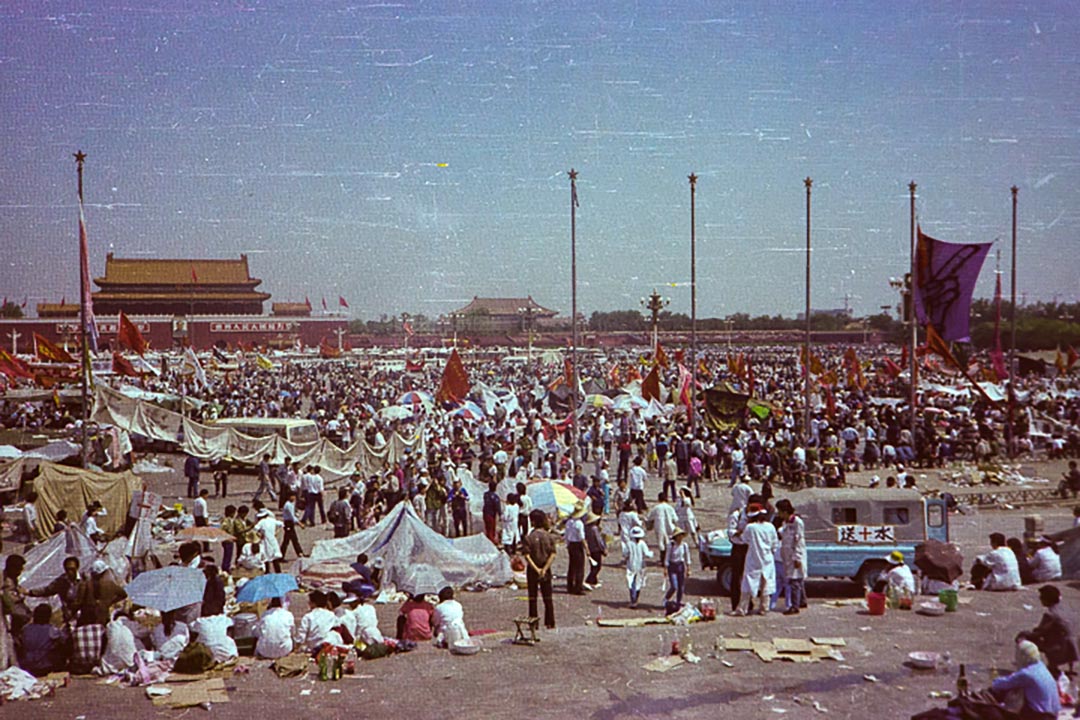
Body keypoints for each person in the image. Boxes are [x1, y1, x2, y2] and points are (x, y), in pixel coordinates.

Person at [1017, 585, 1079, 677]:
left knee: (1030, 638)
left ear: (1046, 599)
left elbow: (1039, 632)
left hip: (1061, 646)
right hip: (1075, 643)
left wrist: (1024, 634)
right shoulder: (1066, 608)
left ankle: (1052, 666)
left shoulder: (1050, 614)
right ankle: (1071, 668)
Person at [989, 640, 1061, 719]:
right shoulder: (1041, 666)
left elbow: (1000, 684)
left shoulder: (1026, 674)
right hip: (1053, 714)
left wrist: (994, 678)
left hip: (1040, 716)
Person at [733, 504, 778, 616]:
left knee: (748, 583)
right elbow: (774, 543)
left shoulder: (750, 528)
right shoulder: (770, 527)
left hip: (754, 558)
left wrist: (738, 533)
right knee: (766, 583)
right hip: (767, 558)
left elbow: (744, 539)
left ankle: (742, 609)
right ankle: (764, 608)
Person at [523, 509, 557, 629]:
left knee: (533, 598)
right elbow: (553, 554)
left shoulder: (529, 537)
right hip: (546, 568)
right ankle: (550, 622)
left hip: (533, 570)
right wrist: (544, 569)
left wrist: (537, 569)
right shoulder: (549, 536)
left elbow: (527, 556)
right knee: (548, 598)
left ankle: (533, 622)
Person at [27, 555, 82, 624]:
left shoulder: (85, 580)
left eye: (72, 569)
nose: (70, 572)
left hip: (83, 614)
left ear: (77, 568)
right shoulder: (61, 581)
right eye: (67, 569)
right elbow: (47, 590)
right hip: (68, 614)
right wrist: (29, 592)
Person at [19, 603, 70, 676]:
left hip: (26, 664)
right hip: (45, 665)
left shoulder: (25, 629)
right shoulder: (52, 630)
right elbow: (64, 640)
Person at [775, 499, 807, 615]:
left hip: (794, 554)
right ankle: (802, 601)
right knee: (797, 579)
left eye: (780, 511)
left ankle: (795, 606)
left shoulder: (797, 522)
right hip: (787, 555)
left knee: (795, 581)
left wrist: (797, 558)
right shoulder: (786, 523)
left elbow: (798, 541)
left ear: (785, 511)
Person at [75, 560, 127, 627]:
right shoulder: (110, 584)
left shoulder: (86, 584)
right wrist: (110, 601)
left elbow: (79, 601)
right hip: (102, 616)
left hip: (87, 615)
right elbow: (124, 594)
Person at [647, 492, 678, 566]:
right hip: (669, 528)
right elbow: (675, 519)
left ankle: (663, 558)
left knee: (661, 543)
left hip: (659, 527)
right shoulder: (670, 507)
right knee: (669, 542)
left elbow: (649, 518)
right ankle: (670, 558)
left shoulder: (656, 508)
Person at [625, 526, 653, 608]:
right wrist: (651, 553)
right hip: (640, 565)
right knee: (638, 583)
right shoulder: (642, 544)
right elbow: (647, 554)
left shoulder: (629, 544)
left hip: (631, 564)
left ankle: (633, 600)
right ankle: (635, 600)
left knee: (631, 582)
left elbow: (625, 554)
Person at [665, 528, 691, 611]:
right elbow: (667, 557)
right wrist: (665, 568)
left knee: (681, 586)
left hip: (680, 566)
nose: (680, 537)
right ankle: (666, 598)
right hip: (672, 566)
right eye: (679, 536)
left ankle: (678, 602)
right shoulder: (671, 545)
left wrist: (688, 568)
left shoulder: (684, 545)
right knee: (674, 586)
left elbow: (687, 557)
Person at [564, 504, 587, 595]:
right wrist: (587, 548)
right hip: (578, 545)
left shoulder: (569, 522)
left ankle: (570, 586)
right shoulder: (579, 524)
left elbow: (566, 535)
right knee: (580, 567)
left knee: (572, 566)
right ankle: (578, 587)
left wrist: (567, 544)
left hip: (571, 544)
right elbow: (582, 538)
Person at [253, 508, 284, 574]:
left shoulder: (261, 522)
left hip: (265, 541)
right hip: (273, 540)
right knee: (275, 558)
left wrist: (259, 535)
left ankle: (267, 572)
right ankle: (278, 572)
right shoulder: (273, 520)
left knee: (265, 557)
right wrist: (276, 532)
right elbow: (282, 524)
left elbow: (255, 529)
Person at [584, 511, 607, 590]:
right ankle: (589, 580)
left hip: (591, 548)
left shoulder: (586, 528)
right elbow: (599, 540)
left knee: (593, 565)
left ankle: (594, 581)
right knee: (597, 566)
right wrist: (603, 549)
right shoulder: (594, 529)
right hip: (596, 549)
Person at [280, 492, 305, 559]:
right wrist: (300, 524)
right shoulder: (288, 505)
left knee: (293, 540)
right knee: (287, 541)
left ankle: (300, 553)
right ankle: (281, 556)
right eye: (292, 496)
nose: (294, 498)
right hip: (288, 523)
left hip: (290, 523)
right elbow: (292, 517)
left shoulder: (291, 504)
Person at [482, 481, 502, 545]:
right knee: (491, 529)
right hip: (492, 514)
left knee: (488, 528)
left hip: (485, 513)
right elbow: (497, 507)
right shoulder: (495, 497)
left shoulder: (485, 494)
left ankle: (489, 541)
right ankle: (491, 543)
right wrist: (500, 514)